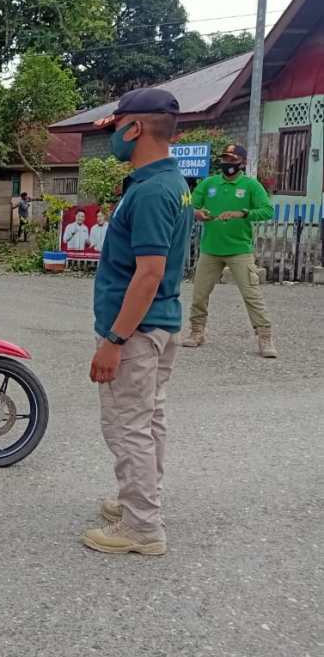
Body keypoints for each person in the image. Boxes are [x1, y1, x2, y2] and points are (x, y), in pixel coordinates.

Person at [83, 88, 194, 557]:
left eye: (116, 127)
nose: (112, 137)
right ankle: (139, 499)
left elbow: (148, 274)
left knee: (127, 424)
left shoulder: (150, 191)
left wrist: (114, 339)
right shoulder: (171, 182)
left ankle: (142, 526)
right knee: (149, 419)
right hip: (160, 323)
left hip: (137, 331)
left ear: (135, 128)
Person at [183, 144, 277, 357]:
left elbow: (267, 210)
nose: (228, 163)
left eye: (232, 159)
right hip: (210, 249)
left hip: (239, 250)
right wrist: (198, 213)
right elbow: (190, 206)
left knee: (252, 294)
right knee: (199, 294)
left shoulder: (251, 185)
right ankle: (197, 331)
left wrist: (243, 213)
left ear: (242, 162)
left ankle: (265, 337)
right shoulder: (209, 183)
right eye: (225, 159)